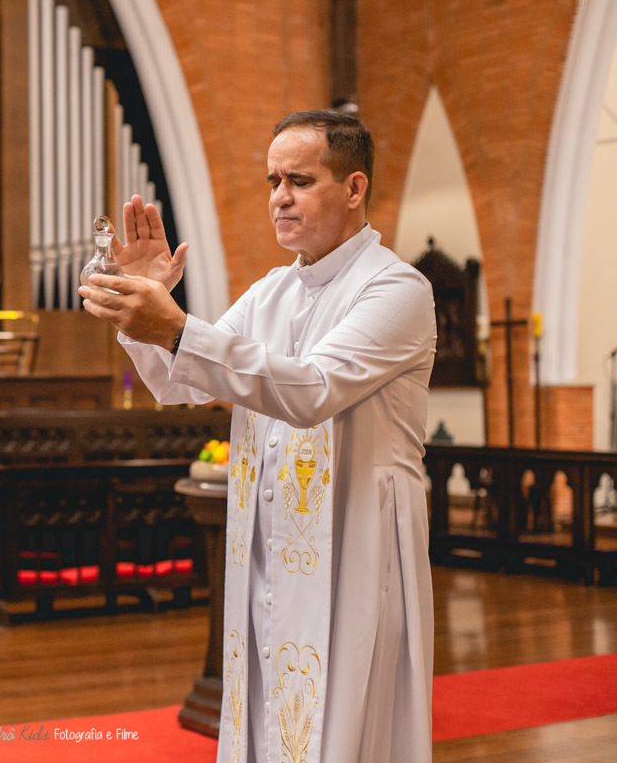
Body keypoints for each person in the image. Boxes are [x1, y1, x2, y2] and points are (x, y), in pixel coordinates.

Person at [78, 110, 436, 763]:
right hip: (272, 548)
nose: (279, 196)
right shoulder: (273, 291)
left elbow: (312, 390)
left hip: (357, 543)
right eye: (273, 179)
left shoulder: (395, 289)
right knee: (269, 719)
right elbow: (181, 381)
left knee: (347, 728)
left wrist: (178, 327)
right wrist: (145, 311)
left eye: (299, 179)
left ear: (354, 189)